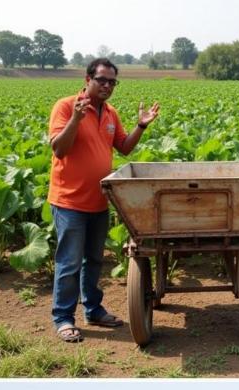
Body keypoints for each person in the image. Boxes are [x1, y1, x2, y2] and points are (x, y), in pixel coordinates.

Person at [48, 58, 160, 343]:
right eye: (102, 80)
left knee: (95, 260)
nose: (107, 86)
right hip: (69, 201)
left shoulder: (110, 113)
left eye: (112, 81)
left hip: (99, 199)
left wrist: (141, 126)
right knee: (69, 262)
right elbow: (59, 149)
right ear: (87, 80)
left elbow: (123, 147)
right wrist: (76, 118)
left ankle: (93, 310)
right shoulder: (65, 106)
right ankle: (63, 318)